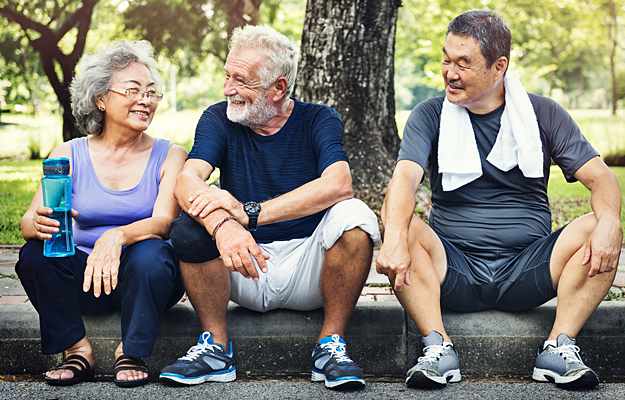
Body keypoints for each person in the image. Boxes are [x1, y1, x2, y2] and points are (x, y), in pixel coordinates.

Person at [377, 9, 622, 391]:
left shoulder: (542, 113)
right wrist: (393, 235)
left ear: (499, 66)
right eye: (445, 59)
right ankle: (437, 348)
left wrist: (609, 221)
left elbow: (602, 177)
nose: (449, 72)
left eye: (464, 63)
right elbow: (405, 177)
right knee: (401, 221)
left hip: (529, 269)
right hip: (453, 268)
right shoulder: (430, 114)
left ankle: (559, 347)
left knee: (602, 225)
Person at [158, 25, 380, 390]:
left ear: (278, 88)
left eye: (242, 80)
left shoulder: (318, 119)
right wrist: (224, 226)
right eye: (227, 75)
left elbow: (339, 184)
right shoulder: (218, 118)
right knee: (188, 225)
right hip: (241, 266)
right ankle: (215, 347)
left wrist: (249, 213)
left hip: (309, 268)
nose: (228, 88)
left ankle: (330, 346)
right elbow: (187, 181)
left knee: (356, 216)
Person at [15, 40, 187, 387]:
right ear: (101, 98)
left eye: (152, 92)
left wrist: (117, 235)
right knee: (34, 254)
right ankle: (77, 349)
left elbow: (164, 222)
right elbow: (26, 223)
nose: (146, 100)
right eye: (133, 90)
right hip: (82, 280)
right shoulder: (69, 153)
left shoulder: (171, 154)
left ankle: (131, 351)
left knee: (153, 252)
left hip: (145, 283)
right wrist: (39, 223)